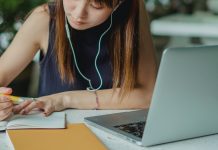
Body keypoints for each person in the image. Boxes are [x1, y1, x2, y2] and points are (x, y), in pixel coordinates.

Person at [0, 0, 157, 121]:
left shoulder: (131, 14)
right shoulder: (43, 19)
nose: (79, 13)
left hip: (114, 134)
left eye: (96, 4)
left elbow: (147, 96)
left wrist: (64, 99)